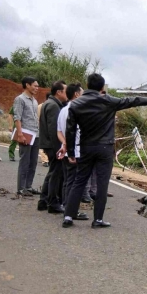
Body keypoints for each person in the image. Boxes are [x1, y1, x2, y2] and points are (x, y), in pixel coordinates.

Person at [63, 73, 147, 228]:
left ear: (87, 85)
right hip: (105, 148)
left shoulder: (76, 104)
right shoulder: (108, 101)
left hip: (86, 147)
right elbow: (133, 101)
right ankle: (98, 220)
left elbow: (70, 130)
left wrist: (72, 152)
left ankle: (68, 216)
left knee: (79, 181)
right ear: (102, 87)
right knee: (102, 184)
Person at [57, 83, 89, 222]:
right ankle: (72, 211)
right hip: (75, 150)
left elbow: (59, 131)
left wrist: (64, 144)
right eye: (82, 93)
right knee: (76, 181)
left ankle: (67, 207)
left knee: (69, 180)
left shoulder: (63, 110)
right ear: (76, 94)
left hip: (65, 148)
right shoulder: (79, 110)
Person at [37, 80, 67, 212]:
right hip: (53, 145)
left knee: (52, 173)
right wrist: (58, 149)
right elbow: (54, 129)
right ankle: (53, 203)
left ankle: (43, 200)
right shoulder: (53, 106)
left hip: (48, 144)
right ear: (59, 92)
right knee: (56, 174)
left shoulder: (49, 103)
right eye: (65, 91)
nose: (67, 94)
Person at [13, 76, 41, 196]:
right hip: (26, 134)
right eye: (35, 85)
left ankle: (28, 186)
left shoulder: (34, 100)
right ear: (27, 85)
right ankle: (21, 188)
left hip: (36, 134)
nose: (37, 88)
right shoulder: (20, 99)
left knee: (33, 162)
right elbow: (17, 117)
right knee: (25, 161)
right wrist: (20, 134)